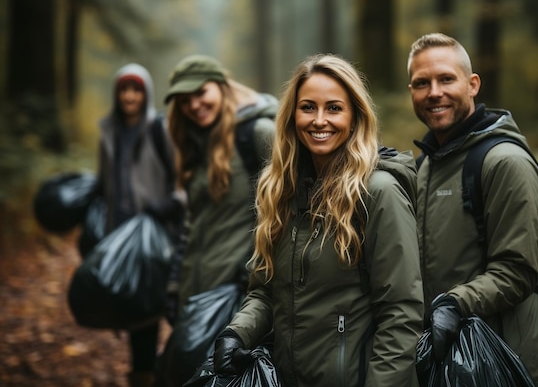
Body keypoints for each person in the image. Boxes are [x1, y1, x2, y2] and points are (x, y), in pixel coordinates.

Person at [212, 54, 424, 387]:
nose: (319, 120)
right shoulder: (281, 190)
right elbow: (265, 291)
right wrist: (237, 333)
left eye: (334, 108)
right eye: (308, 107)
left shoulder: (378, 193)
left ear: (355, 117)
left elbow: (401, 315)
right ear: (292, 115)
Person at [407, 32, 538, 386]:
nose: (434, 92)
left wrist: (454, 304)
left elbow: (518, 270)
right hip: (450, 364)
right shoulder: (427, 166)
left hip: (505, 364)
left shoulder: (505, 163)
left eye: (446, 79)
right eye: (421, 83)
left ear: (472, 84)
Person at [155, 55, 278, 383]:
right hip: (195, 300)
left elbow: (289, 212)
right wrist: (174, 286)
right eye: (184, 101)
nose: (194, 105)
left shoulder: (258, 134)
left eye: (201, 93)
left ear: (222, 88)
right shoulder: (197, 145)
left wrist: (253, 273)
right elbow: (190, 223)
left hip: (237, 303)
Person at [96, 63, 184, 387]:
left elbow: (183, 182)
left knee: (162, 310)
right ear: (116, 94)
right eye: (124, 89)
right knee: (137, 313)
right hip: (122, 235)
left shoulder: (159, 130)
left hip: (157, 237)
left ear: (145, 94)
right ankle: (143, 375)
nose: (129, 96)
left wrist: (169, 205)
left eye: (136, 90)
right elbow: (105, 183)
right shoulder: (109, 132)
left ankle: (171, 371)